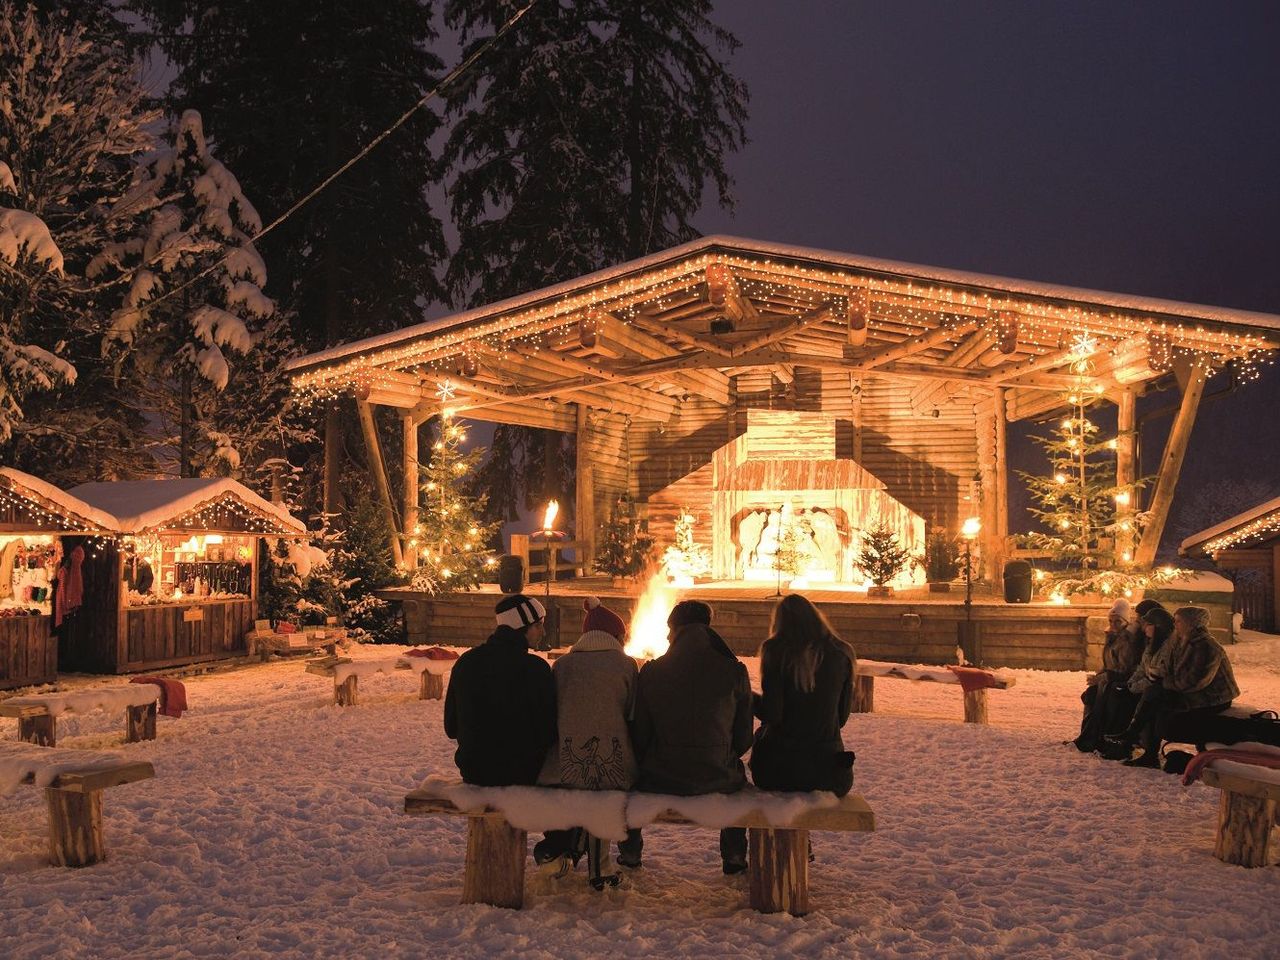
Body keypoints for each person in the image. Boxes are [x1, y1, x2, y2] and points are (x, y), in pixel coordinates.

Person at [631, 599, 754, 874]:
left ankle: (629, 852)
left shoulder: (652, 671)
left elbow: (640, 734)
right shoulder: (734, 671)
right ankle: (734, 854)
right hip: (718, 774)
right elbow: (744, 737)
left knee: (632, 776)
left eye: (668, 629)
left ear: (675, 630)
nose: (665, 636)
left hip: (661, 775)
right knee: (738, 784)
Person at [533, 597, 639, 890]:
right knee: (604, 786)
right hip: (614, 762)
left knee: (581, 783)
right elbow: (632, 713)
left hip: (565, 763)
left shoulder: (562, 665)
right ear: (616, 636)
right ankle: (599, 868)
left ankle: (563, 849)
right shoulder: (626, 665)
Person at [443, 594, 557, 786]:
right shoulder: (535, 669)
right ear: (521, 626)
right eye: (538, 625)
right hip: (525, 772)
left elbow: (451, 728)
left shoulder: (466, 663)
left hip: (475, 771)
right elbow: (549, 730)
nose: (543, 632)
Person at [1106, 606, 1239, 769]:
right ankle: (1140, 745)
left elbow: (1195, 681)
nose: (1174, 624)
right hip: (1192, 692)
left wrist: (1164, 682)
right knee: (1153, 695)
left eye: (1178, 621)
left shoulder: (1205, 646)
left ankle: (1136, 739)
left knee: (1155, 696)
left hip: (1213, 698)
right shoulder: (1181, 641)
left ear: (1191, 624)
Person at [750, 594, 857, 796]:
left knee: (763, 737)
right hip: (831, 774)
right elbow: (840, 718)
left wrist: (747, 697)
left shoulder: (776, 650)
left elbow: (772, 714)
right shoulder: (842, 652)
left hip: (780, 772)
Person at [1072, 597, 1143, 752]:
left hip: (1122, 681)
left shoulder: (1128, 641)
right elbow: (1108, 664)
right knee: (1090, 694)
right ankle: (1089, 736)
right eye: (1111, 621)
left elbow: (1127, 669)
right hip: (1110, 679)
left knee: (1103, 694)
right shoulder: (1112, 636)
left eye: (1117, 621)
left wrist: (1105, 677)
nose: (1113, 625)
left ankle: (1094, 738)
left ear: (1125, 621)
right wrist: (1099, 676)